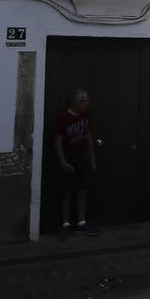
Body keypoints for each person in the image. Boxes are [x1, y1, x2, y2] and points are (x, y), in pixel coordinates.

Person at [53, 89, 99, 237]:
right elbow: (58, 142)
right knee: (66, 191)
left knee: (82, 189)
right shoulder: (63, 118)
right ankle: (65, 224)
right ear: (75, 102)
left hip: (82, 157)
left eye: (87, 100)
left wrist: (91, 159)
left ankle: (81, 222)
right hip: (68, 157)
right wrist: (63, 162)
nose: (86, 103)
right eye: (83, 100)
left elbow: (88, 138)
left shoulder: (86, 117)